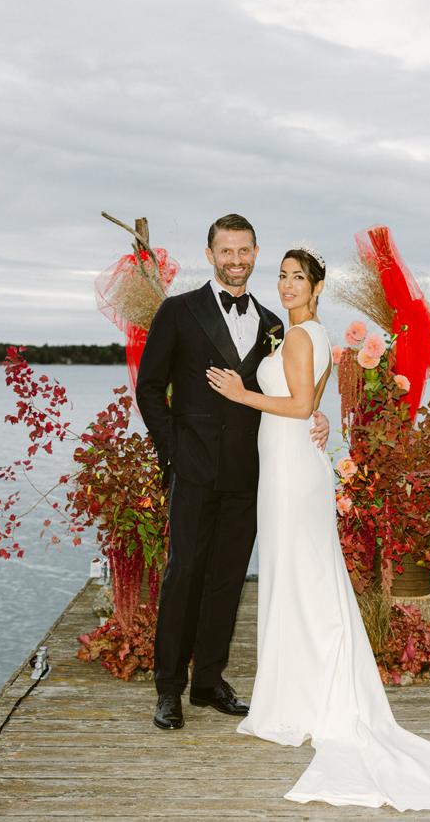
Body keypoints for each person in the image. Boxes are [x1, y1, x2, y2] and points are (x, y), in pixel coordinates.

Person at [205, 246, 430, 811]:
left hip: (290, 470)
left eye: (299, 278)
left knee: (300, 578)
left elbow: (301, 406)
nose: (287, 285)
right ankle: (299, 691)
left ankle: (303, 698)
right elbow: (311, 403)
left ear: (317, 286)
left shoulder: (301, 337)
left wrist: (240, 393)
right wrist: (311, 412)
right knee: (301, 578)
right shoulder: (306, 335)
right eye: (283, 276)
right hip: (290, 464)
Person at [135, 214, 330, 731]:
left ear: (255, 253)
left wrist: (317, 415)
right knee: (183, 576)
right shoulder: (178, 311)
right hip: (193, 469)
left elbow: (291, 391)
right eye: (227, 250)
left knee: (227, 580)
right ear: (211, 255)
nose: (236, 260)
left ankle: (208, 682)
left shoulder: (272, 324)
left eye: (244, 250)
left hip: (251, 473)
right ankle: (169, 688)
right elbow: (149, 388)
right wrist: (173, 451)